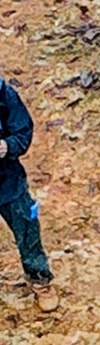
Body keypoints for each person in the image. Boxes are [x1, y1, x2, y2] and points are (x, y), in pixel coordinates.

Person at [1, 71, 51, 290]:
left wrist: (7, 146)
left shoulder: (5, 95)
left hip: (8, 181)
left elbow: (23, 132)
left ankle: (39, 278)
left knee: (27, 227)